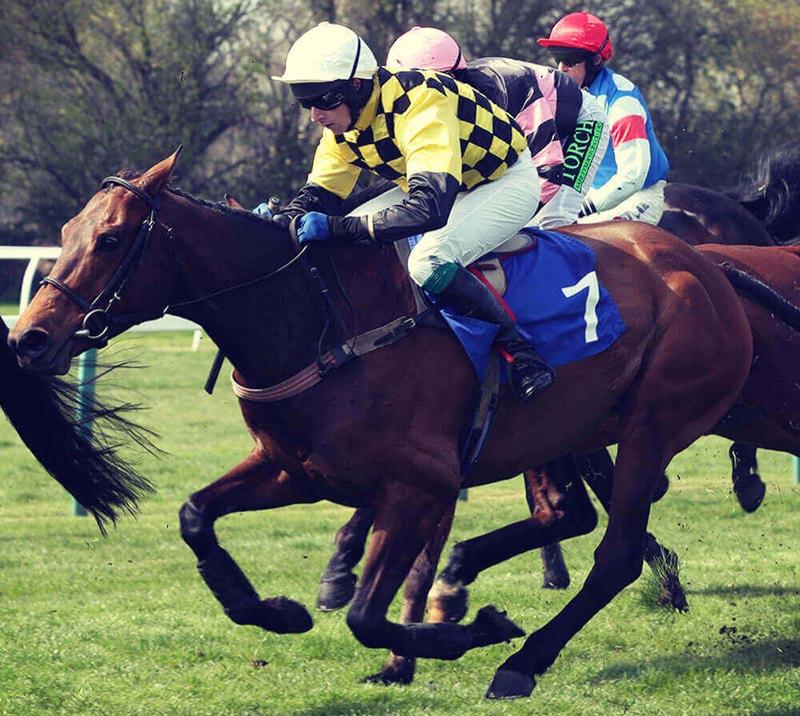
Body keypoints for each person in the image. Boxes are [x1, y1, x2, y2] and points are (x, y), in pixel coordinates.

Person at [267, 22, 555, 401]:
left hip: (501, 181)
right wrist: (282, 218)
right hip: (438, 184)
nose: (315, 116)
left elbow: (430, 209)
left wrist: (338, 228)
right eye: (307, 104)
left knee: (427, 262)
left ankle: (520, 352)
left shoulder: (420, 102)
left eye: (323, 101)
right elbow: (324, 192)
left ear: (357, 85)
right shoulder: (343, 123)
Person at [386, 26, 609, 230]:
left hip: (580, 119)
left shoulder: (508, 88)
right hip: (531, 131)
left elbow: (549, 171)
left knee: (553, 220)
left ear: (451, 77)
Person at [538, 12, 669, 224]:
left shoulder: (622, 102)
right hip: (591, 195)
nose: (561, 68)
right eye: (557, 57)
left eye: (570, 60)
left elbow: (632, 177)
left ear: (596, 60)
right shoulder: (559, 93)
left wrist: (580, 209)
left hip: (636, 198)